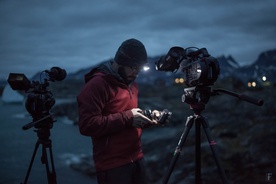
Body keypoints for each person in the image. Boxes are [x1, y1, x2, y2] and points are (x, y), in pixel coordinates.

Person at [77, 38, 160, 184]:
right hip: (112, 165)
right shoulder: (96, 85)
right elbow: (87, 125)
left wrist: (146, 119)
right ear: (120, 62)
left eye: (139, 69)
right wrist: (128, 117)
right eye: (133, 68)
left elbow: (128, 119)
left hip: (137, 157)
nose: (136, 73)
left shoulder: (132, 85)